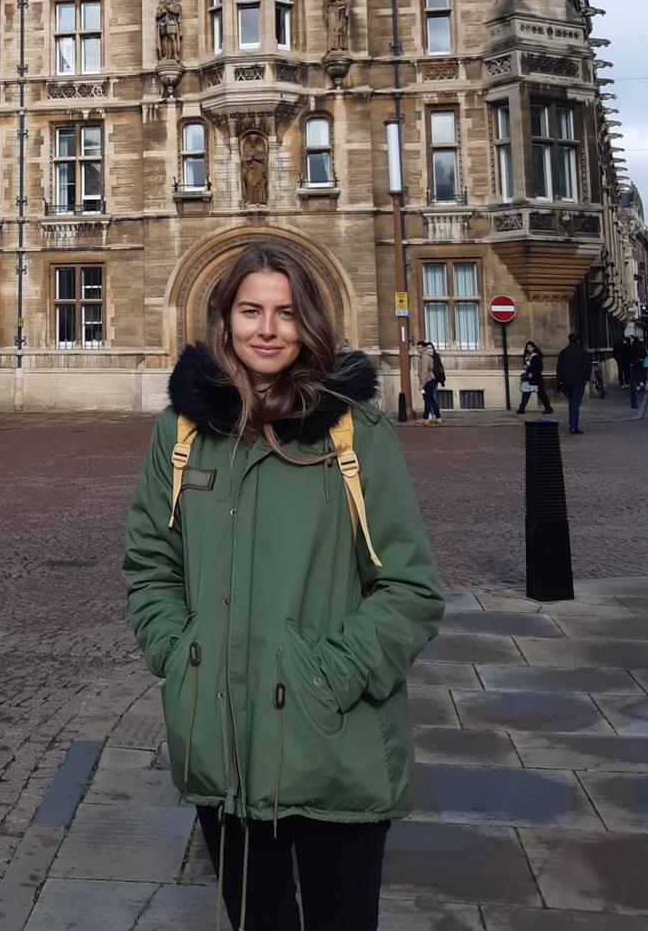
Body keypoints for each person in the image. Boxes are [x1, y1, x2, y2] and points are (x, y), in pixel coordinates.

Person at [122, 241, 443, 931]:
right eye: (251, 311)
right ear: (224, 318)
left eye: (287, 313)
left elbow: (410, 589)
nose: (267, 330)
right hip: (224, 749)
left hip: (335, 744)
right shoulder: (180, 433)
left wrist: (328, 677)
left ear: (311, 322)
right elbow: (150, 563)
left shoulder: (358, 433)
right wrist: (181, 657)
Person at [556, 332, 592, 435]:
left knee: (571, 402)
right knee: (575, 403)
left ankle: (572, 424)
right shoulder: (582, 352)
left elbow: (559, 368)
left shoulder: (563, 352)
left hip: (566, 381)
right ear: (578, 340)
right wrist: (586, 378)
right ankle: (573, 426)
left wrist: (559, 382)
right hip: (578, 380)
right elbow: (588, 366)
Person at [517, 341, 553, 414]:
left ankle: (548, 408)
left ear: (534, 347)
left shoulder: (536, 356)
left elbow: (539, 368)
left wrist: (533, 374)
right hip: (528, 377)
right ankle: (521, 408)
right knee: (526, 393)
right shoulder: (526, 357)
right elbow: (525, 366)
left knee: (541, 393)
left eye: (530, 347)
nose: (529, 349)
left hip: (536, 377)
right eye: (528, 347)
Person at [414, 339, 443, 426]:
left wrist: (422, 384)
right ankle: (438, 417)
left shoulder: (425, 357)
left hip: (429, 381)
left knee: (427, 399)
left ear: (424, 348)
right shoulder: (424, 356)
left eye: (420, 348)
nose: (418, 350)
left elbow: (424, 371)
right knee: (430, 399)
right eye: (417, 348)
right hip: (429, 380)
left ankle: (425, 418)